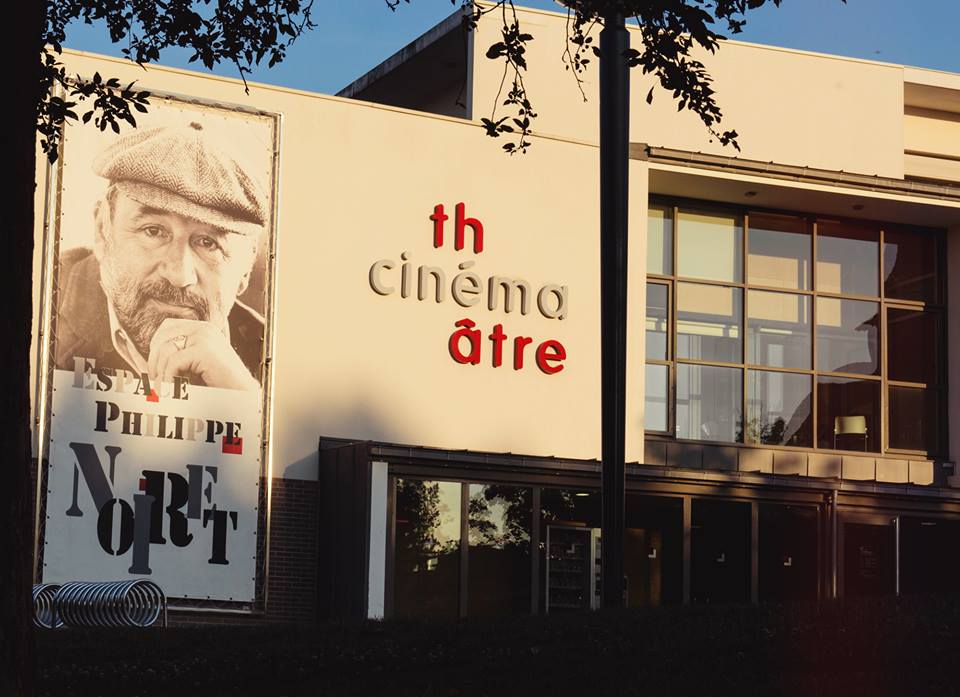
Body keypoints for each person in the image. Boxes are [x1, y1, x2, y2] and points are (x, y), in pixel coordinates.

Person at [54, 121, 268, 390]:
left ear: (245, 269)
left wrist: (243, 406)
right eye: (153, 231)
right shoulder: (39, 308)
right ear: (102, 231)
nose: (179, 275)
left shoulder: (272, 359)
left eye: (208, 243)